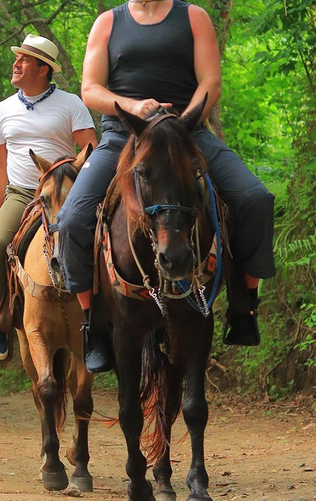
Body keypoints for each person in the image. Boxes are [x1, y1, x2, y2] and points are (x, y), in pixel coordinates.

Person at [57, 0, 276, 373]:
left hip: (185, 134)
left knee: (255, 199)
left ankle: (243, 305)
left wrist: (182, 123)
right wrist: (134, 106)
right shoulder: (108, 22)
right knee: (72, 220)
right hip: (123, 138)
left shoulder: (194, 17)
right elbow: (90, 89)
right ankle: (93, 325)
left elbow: (211, 83)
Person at [0, 34, 97, 361]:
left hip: (63, 190)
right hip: (21, 193)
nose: (16, 64)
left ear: (44, 69)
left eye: (24, 60)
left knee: (99, 241)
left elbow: (90, 151)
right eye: (17, 58)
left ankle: (102, 320)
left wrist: (86, 193)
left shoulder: (71, 104)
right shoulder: (3, 109)